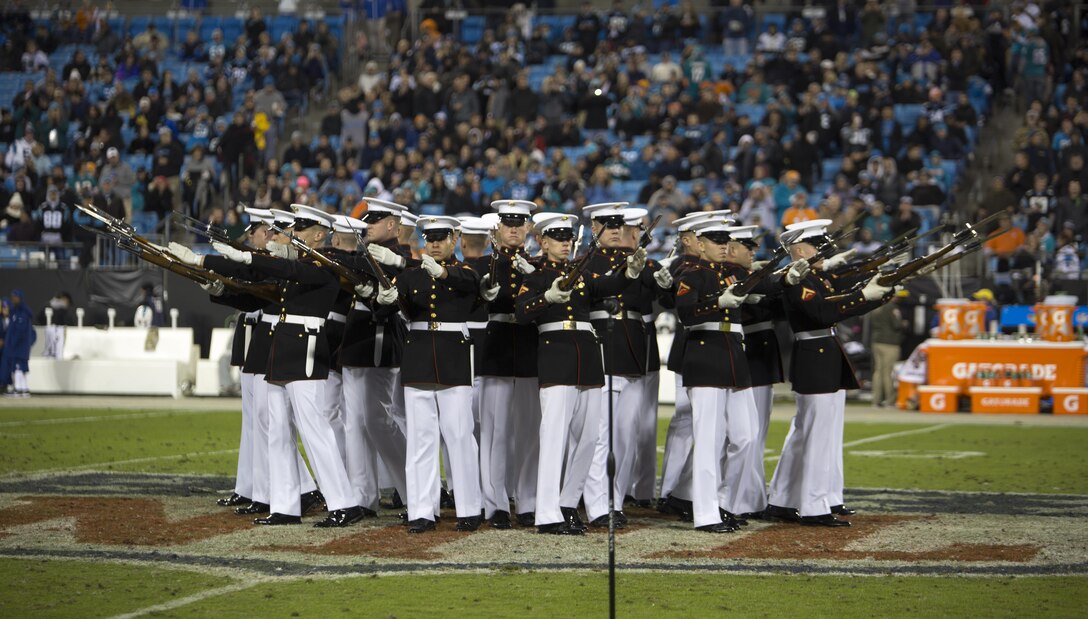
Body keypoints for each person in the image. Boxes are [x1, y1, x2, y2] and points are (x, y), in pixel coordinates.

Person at [175, 206, 366, 528]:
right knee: (277, 433)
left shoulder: (326, 266)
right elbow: (257, 297)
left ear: (319, 234)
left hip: (305, 349)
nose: (295, 232)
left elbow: (289, 272)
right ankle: (285, 504)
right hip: (281, 349)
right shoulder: (294, 266)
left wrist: (223, 258)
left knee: (314, 431)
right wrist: (212, 279)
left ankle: (345, 502)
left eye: (302, 228)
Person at [515, 212, 646, 535]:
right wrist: (547, 297)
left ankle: (567, 503)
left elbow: (607, 284)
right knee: (554, 437)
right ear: (543, 242)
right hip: (556, 355)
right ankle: (546, 514)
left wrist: (630, 270)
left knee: (589, 438)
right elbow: (520, 312)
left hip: (587, 356)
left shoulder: (582, 274)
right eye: (558, 238)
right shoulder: (537, 276)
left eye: (568, 238)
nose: (565, 243)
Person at [766, 219, 894, 527]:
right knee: (815, 436)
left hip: (824, 356)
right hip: (813, 357)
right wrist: (866, 296)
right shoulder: (796, 279)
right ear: (799, 250)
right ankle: (813, 506)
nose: (824, 253)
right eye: (817, 247)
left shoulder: (815, 278)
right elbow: (824, 313)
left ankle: (781, 500)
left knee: (804, 434)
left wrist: (876, 294)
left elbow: (843, 305)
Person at [373, 215, 484, 534]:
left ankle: (469, 508)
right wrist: (384, 301)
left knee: (459, 436)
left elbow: (469, 286)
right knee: (421, 441)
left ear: (455, 239)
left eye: (441, 238)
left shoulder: (465, 272)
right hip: (419, 357)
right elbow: (390, 308)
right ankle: (422, 510)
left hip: (453, 359)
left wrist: (445, 272)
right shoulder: (411, 276)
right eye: (430, 238)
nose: (434, 243)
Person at [340, 198, 411, 518]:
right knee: (354, 423)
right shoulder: (361, 255)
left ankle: (417, 487)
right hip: (356, 341)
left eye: (375, 220)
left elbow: (401, 290)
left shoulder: (404, 257)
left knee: (378, 421)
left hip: (381, 341)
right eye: (367, 220)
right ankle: (362, 496)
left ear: (392, 225)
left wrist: (394, 265)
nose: (367, 224)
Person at [472, 200, 541, 529]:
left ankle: (527, 501)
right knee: (495, 432)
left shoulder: (538, 265)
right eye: (508, 223)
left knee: (529, 433)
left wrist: (538, 277)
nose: (514, 228)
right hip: (497, 347)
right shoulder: (484, 264)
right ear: (497, 228)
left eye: (520, 223)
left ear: (529, 228)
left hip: (529, 347)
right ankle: (495, 503)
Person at [870, 290, 908, 408]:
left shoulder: (876, 307)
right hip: (890, 343)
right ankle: (890, 400)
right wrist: (904, 324)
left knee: (878, 372)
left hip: (877, 341)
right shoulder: (892, 307)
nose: (898, 299)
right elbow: (897, 325)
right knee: (889, 372)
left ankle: (876, 400)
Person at [0, 290, 36, 397]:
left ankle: (19, 389)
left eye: (15, 297)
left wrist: (12, 343)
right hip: (16, 347)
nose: (13, 299)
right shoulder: (15, 313)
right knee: (18, 368)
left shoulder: (21, 313)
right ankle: (22, 389)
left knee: (18, 368)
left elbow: (20, 332)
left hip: (18, 347)